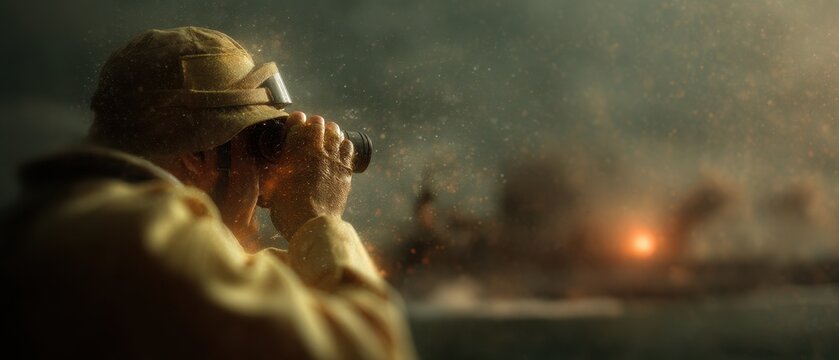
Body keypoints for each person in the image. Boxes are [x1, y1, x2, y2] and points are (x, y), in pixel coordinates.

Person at [2, 26, 416, 359]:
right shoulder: (143, 232)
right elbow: (371, 347)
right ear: (199, 156)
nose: (264, 178)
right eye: (257, 146)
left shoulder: (69, 219)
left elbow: (252, 288)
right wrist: (316, 216)